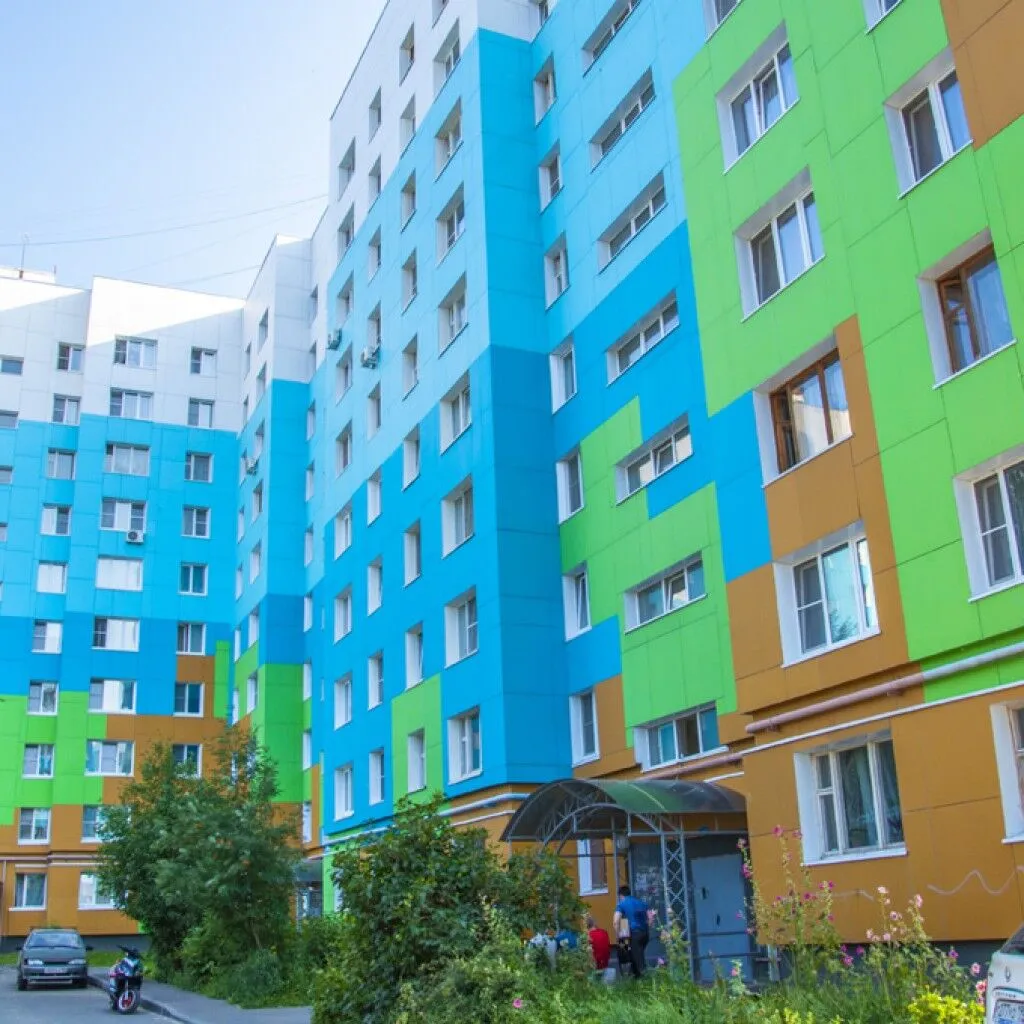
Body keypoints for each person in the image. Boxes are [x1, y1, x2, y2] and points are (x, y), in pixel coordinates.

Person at [613, 885, 649, 978]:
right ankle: (636, 978)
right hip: (645, 934)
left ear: (621, 895)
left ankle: (646, 980)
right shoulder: (641, 903)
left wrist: (617, 936)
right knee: (635, 956)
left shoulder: (621, 904)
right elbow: (650, 919)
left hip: (633, 934)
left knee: (638, 960)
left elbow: (616, 922)